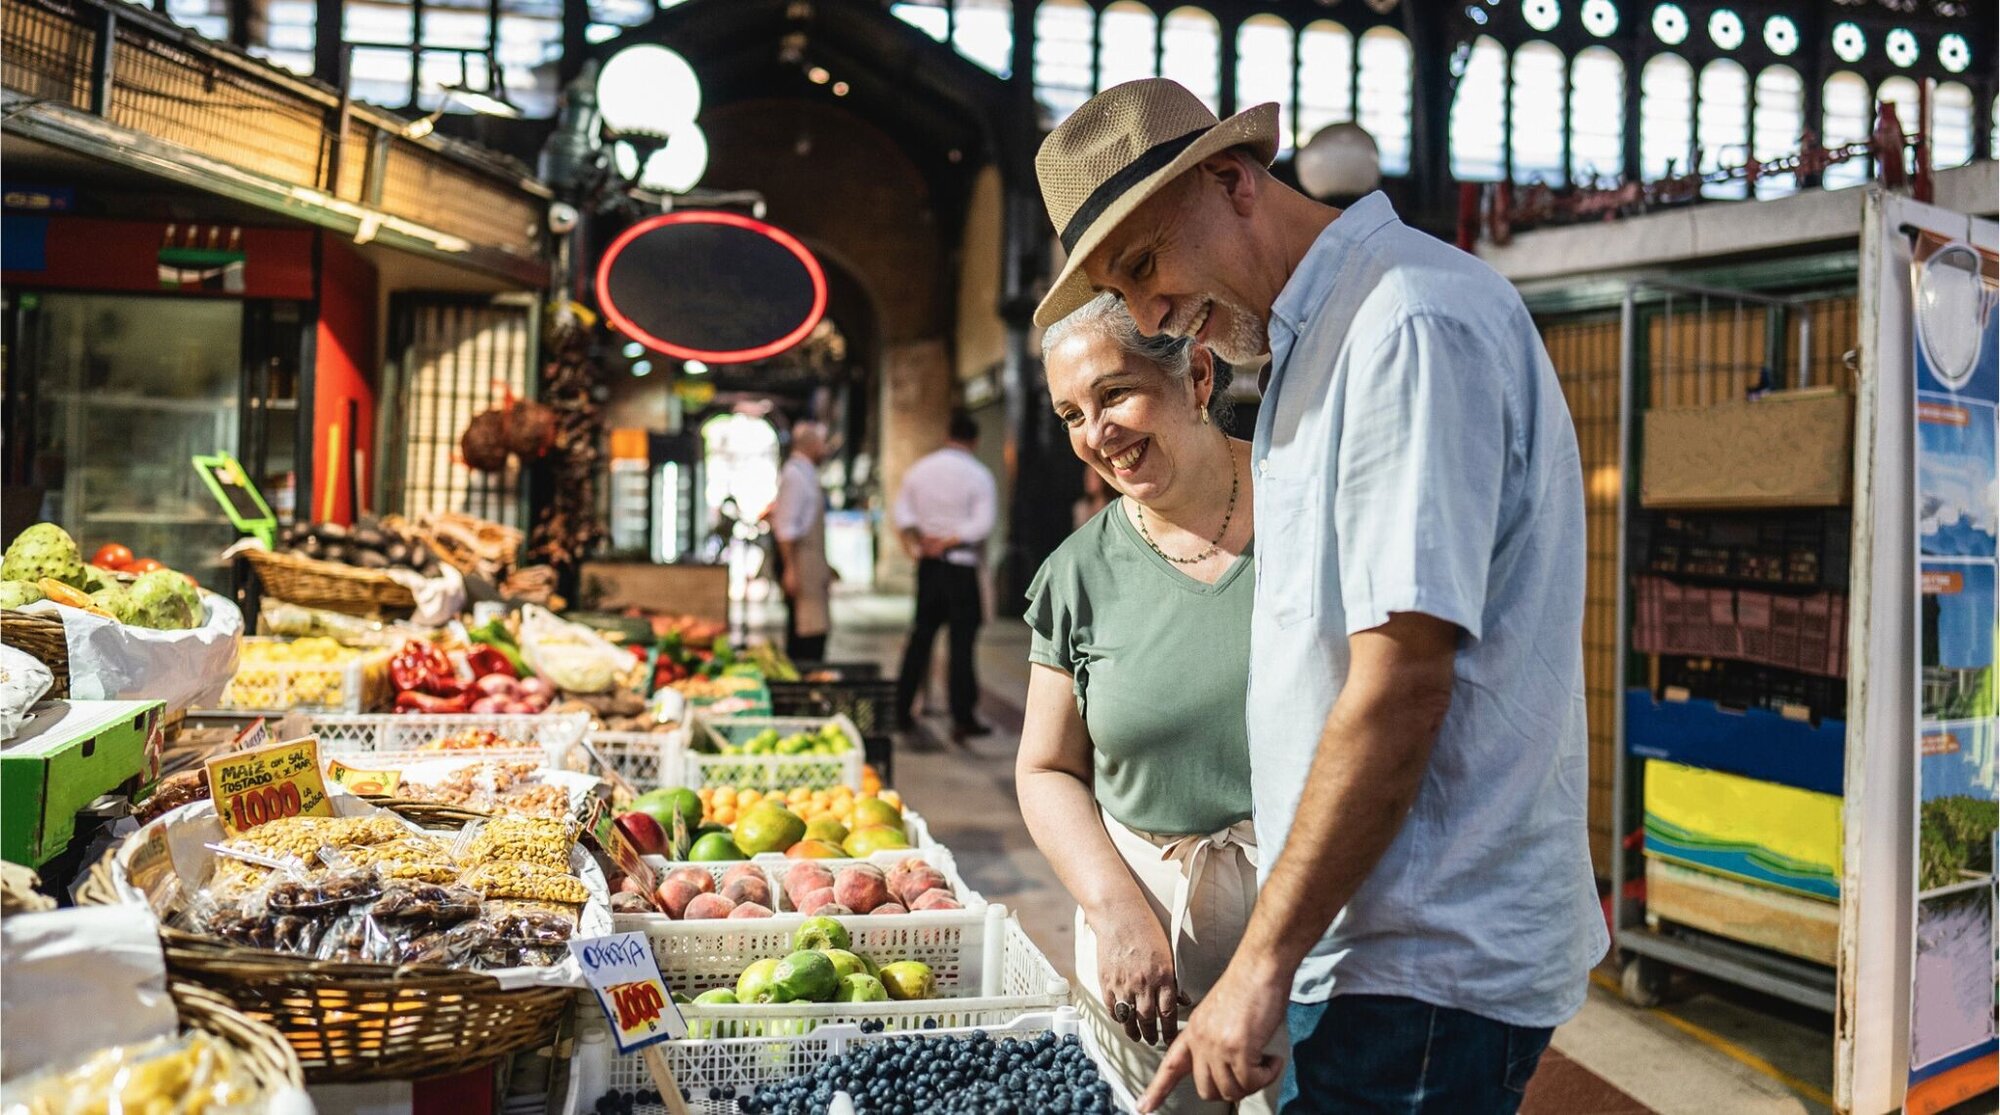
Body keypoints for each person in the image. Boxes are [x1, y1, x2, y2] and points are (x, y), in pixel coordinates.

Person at [1030, 78, 1607, 1114]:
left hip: (1419, 956)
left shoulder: (1405, 323)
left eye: (1145, 265)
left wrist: (1257, 960)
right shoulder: (1311, 340)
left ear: (1230, 180)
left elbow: (1398, 687)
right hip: (1363, 944)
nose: (1150, 314)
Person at [1017, 295, 1275, 1114]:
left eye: (1115, 393)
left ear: (1196, 374)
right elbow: (1045, 767)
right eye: (1071, 414)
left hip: (1315, 924)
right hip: (1148, 945)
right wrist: (1115, 910)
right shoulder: (1077, 573)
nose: (1097, 433)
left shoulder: (1309, 511)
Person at [893, 410, 999, 741]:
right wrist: (949, 540)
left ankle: (901, 710)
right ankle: (962, 717)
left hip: (929, 567)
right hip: (961, 568)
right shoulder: (979, 475)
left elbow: (901, 514)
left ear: (947, 435)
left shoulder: (921, 469)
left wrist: (919, 543)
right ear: (975, 440)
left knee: (920, 638)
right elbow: (982, 525)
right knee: (961, 645)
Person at [770, 419, 832, 663]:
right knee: (805, 632)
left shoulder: (806, 473)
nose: (825, 449)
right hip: (801, 562)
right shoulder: (795, 475)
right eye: (823, 443)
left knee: (814, 630)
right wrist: (790, 569)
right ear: (812, 444)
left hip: (811, 562)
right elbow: (786, 528)